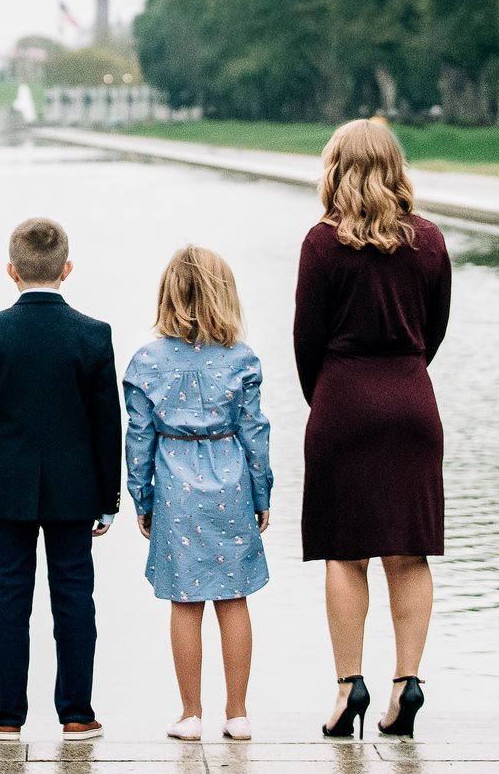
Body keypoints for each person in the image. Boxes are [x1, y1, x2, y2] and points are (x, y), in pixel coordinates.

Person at [293, 117, 451, 741]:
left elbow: (307, 338)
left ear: (335, 169)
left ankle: (346, 687)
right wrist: (404, 371)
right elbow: (434, 328)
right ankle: (405, 684)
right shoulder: (431, 241)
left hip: (345, 402)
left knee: (346, 549)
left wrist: (328, 396)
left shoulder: (321, 243)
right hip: (413, 401)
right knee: (409, 552)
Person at [0, 217, 122, 742]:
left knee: (8, 598)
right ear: (67, 269)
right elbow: (106, 423)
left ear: (11, 271)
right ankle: (77, 713)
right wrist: (109, 497)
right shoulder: (94, 334)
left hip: (4, 489)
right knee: (74, 598)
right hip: (76, 490)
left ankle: (6, 716)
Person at [123, 245, 272, 743]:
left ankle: (190, 714)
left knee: (184, 602)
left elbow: (138, 438)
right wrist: (261, 493)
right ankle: (238, 712)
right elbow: (255, 431)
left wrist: (141, 498)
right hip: (230, 476)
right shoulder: (242, 358)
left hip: (173, 481)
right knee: (233, 597)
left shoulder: (147, 361)